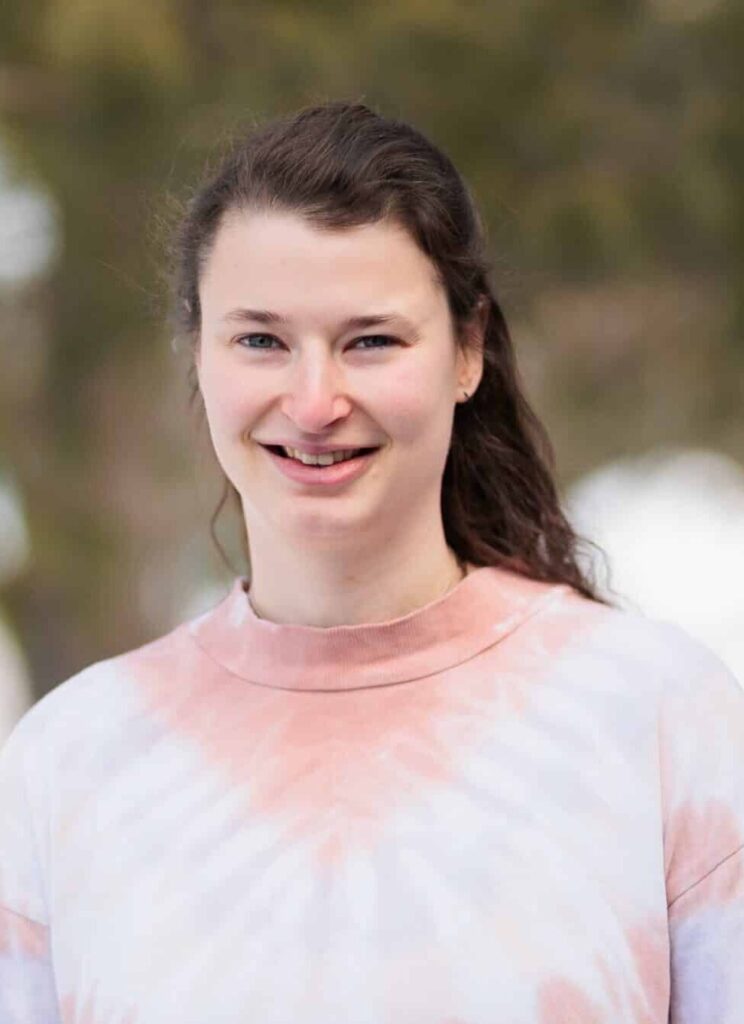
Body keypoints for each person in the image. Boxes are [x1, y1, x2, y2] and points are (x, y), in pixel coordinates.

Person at [1, 101, 742, 1024]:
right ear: (199, 355)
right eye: (261, 340)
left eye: (372, 340)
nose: (314, 401)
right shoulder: (68, 765)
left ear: (468, 351)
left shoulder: (663, 721)